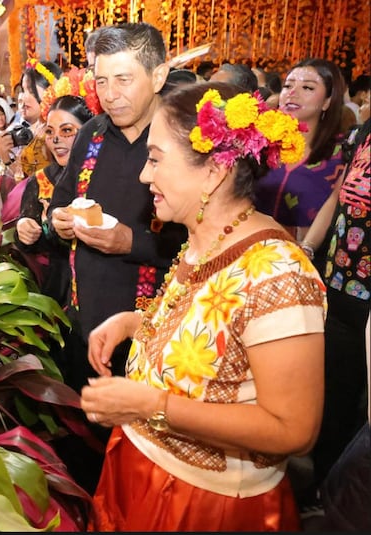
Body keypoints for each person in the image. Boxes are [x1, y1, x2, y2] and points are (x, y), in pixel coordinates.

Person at [80, 82, 325, 532]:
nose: (143, 176)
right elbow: (211, 325)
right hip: (140, 469)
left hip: (204, 505)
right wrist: (135, 323)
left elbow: (293, 428)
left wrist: (151, 405)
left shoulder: (278, 272)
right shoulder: (205, 238)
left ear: (213, 172)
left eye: (154, 159)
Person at [46, 23, 186, 496]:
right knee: (84, 451)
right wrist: (59, 220)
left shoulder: (187, 139)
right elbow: (59, 200)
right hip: (84, 318)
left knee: (143, 468)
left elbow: (206, 242)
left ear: (160, 74)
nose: (110, 95)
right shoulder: (91, 134)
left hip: (155, 335)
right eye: (101, 81)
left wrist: (133, 243)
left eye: (124, 79)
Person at [298, 116, 370, 516]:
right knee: (336, 395)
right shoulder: (365, 131)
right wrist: (307, 247)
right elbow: (340, 194)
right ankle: (323, 492)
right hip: (341, 285)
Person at [255, 58, 347, 250]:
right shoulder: (259, 142)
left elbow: (333, 204)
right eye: (288, 86)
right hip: (246, 252)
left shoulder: (342, 154)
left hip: (300, 260)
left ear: (328, 101)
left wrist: (306, 248)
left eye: (308, 88)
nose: (292, 93)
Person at [14, 95, 94, 305]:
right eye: (50, 132)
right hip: (59, 291)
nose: (56, 139)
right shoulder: (40, 180)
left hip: (100, 287)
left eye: (67, 131)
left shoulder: (104, 176)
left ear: (90, 131)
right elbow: (28, 239)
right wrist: (24, 228)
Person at [0, 59, 63, 181]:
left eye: (31, 91)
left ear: (52, 91)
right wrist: (6, 158)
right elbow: (26, 180)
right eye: (23, 90)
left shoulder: (56, 134)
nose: (24, 97)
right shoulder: (38, 126)